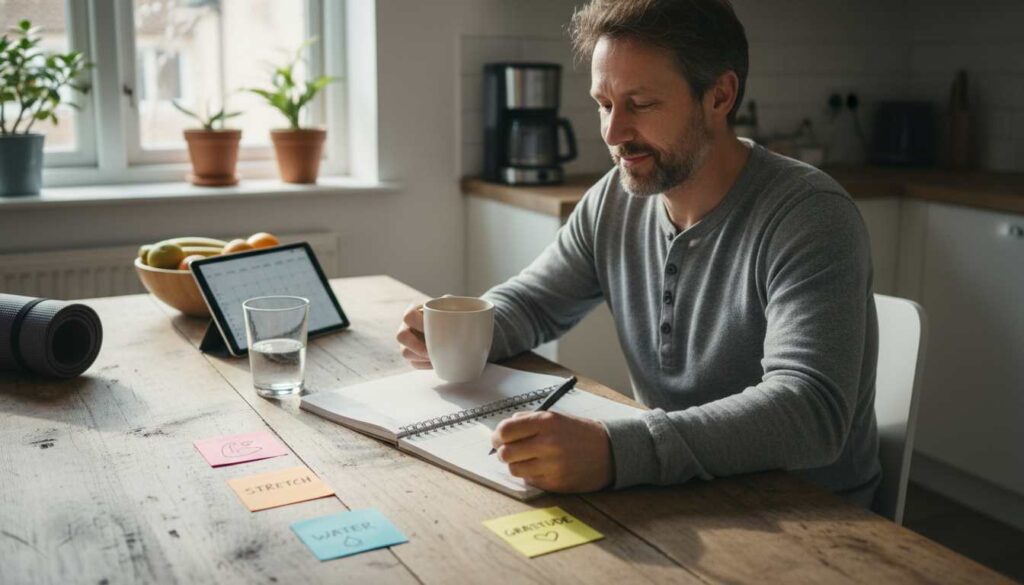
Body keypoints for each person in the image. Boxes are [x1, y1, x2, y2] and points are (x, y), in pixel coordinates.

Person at [397, 0, 881, 506]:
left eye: (641, 104)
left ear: (719, 96)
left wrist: (615, 451)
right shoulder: (614, 199)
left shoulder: (809, 214)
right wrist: (465, 331)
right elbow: (535, 302)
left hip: (809, 514)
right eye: (604, 104)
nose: (613, 134)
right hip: (669, 492)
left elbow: (810, 411)